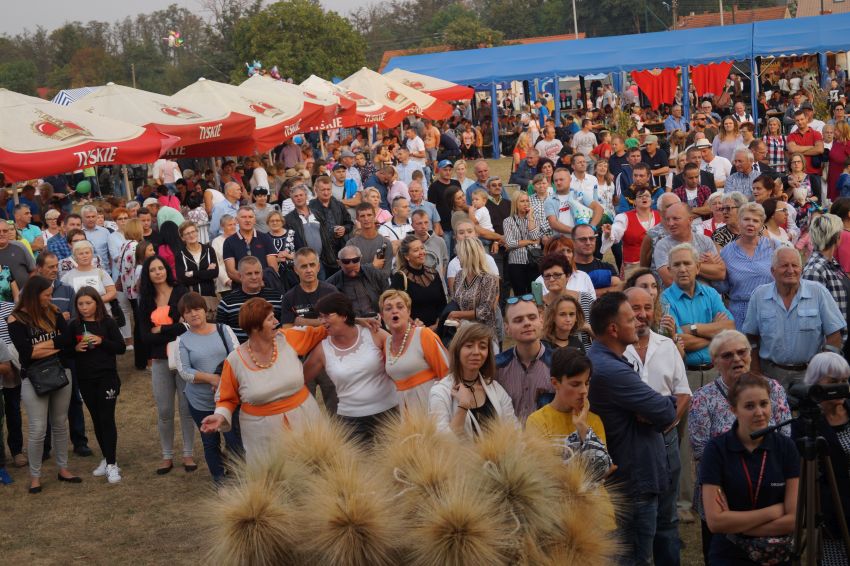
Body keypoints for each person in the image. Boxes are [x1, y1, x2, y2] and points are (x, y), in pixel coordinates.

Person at [587, 292, 677, 565]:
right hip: (632, 481)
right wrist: (663, 405)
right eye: (630, 319)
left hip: (632, 475)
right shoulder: (610, 370)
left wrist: (657, 406)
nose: (638, 321)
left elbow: (662, 408)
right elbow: (666, 411)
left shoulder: (608, 360)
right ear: (613, 329)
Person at [688, 330, 791, 562]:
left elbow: (784, 438)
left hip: (769, 490)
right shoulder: (703, 398)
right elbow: (700, 450)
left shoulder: (773, 389)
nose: (736, 359)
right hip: (722, 495)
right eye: (727, 355)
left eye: (742, 352)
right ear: (715, 362)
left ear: (750, 355)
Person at [200, 298, 326, 459]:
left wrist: (350, 320)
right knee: (274, 473)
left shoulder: (288, 338)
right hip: (262, 433)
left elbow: (325, 331)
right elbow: (226, 398)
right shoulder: (235, 360)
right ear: (255, 327)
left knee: (312, 466)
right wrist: (220, 416)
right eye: (270, 319)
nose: (277, 322)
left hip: (305, 419)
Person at [700, 373, 799, 565]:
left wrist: (737, 527)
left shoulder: (786, 447)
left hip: (777, 553)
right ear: (733, 409)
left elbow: (794, 520)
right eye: (749, 406)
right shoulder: (716, 449)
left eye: (764, 403)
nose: (759, 412)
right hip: (729, 554)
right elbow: (715, 522)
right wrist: (774, 511)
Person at [624, 286, 692, 560]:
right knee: (633, 518)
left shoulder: (667, 346)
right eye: (635, 308)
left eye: (647, 307)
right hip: (629, 443)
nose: (642, 314)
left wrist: (666, 423)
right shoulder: (614, 349)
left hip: (665, 440)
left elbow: (683, 393)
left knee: (667, 517)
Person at [8, 276, 82, 493]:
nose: (50, 298)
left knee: (60, 424)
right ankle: (35, 476)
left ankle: (63, 468)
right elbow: (26, 354)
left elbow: (67, 342)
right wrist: (53, 344)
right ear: (34, 294)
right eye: (47, 294)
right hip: (33, 378)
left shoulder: (54, 312)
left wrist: (40, 347)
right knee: (38, 429)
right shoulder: (16, 319)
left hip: (61, 371)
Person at [744, 247, 846, 388]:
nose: (790, 270)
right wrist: (755, 371)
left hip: (810, 374)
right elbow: (750, 337)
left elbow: (834, 335)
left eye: (795, 265)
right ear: (773, 271)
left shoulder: (818, 292)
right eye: (784, 265)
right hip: (771, 374)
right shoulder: (759, 296)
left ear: (801, 269)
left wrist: (823, 372)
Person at [302, 293, 397, 443]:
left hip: (390, 413)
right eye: (320, 317)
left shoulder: (373, 333)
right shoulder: (322, 350)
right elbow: (299, 380)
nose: (322, 321)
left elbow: (401, 356)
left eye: (327, 316)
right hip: (351, 421)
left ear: (344, 315)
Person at [174, 292, 241, 483]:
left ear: (205, 310)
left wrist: (222, 381)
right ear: (183, 316)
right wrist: (212, 379)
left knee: (234, 440)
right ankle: (219, 479)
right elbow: (184, 371)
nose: (194, 314)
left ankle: (240, 476)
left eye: (197, 309)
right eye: (188, 312)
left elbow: (237, 357)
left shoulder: (223, 329)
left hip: (228, 398)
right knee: (210, 443)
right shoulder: (182, 340)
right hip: (200, 401)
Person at [137, 255, 195, 475]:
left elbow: (186, 326)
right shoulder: (145, 300)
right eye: (153, 270)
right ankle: (167, 455)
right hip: (160, 360)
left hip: (183, 357)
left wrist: (161, 329)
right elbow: (145, 337)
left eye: (160, 268)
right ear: (148, 274)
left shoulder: (181, 292)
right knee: (164, 410)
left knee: (186, 408)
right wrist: (173, 327)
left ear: (166, 269)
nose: (158, 272)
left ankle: (188, 453)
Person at [792, 353, 850, 565]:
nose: (841, 387)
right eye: (833, 382)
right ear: (815, 384)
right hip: (833, 514)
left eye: (845, 380)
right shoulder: (804, 425)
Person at [67, 286, 126, 484]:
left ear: (97, 303)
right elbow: (65, 351)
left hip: (107, 377)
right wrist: (75, 348)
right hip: (85, 379)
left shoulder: (107, 322)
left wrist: (101, 341)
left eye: (88, 303)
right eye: (80, 304)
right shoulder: (74, 325)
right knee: (97, 419)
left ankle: (112, 464)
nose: (84, 307)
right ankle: (107, 457)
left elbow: (121, 347)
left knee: (106, 418)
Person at [662, 243, 735, 390]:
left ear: (698, 267)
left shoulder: (711, 294)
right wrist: (714, 334)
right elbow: (680, 342)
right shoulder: (664, 300)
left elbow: (730, 328)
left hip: (716, 372)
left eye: (687, 263)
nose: (682, 269)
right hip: (685, 374)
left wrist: (693, 328)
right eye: (677, 264)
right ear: (670, 270)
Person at [429, 322, 518, 438]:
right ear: (457, 350)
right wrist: (463, 406)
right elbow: (441, 441)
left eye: (482, 347)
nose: (476, 352)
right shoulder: (440, 392)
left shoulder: (495, 388)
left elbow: (514, 430)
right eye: (469, 345)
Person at [379, 289, 449, 412]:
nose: (394, 311)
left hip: (432, 405)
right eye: (388, 308)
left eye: (400, 307)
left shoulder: (424, 334)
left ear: (409, 311)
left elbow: (446, 373)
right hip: (406, 410)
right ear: (382, 316)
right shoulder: (387, 343)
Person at [494, 296, 555, 422]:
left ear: (541, 320)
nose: (527, 323)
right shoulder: (495, 366)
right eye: (518, 320)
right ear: (507, 328)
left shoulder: (559, 364)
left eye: (532, 317)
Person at [718, 203, 776, 331]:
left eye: (755, 221)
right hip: (739, 313)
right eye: (746, 219)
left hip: (770, 311)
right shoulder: (727, 252)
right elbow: (722, 287)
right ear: (739, 221)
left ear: (761, 225)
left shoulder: (774, 247)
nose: (751, 224)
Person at [802, 213, 850, 344]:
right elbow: (811, 319)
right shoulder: (815, 270)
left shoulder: (831, 263)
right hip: (832, 345)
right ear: (836, 237)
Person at [654, 203, 726, 287]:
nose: (670, 223)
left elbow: (720, 273)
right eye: (667, 219)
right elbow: (670, 280)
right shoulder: (662, 245)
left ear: (690, 220)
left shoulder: (705, 241)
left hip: (707, 295)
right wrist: (702, 265)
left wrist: (682, 268)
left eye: (675, 219)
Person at [449, 238, 503, 345]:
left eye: (459, 255)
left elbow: (486, 311)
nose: (457, 258)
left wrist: (459, 314)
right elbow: (455, 300)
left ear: (468, 256)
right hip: (463, 332)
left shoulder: (488, 278)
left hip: (483, 334)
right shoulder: (459, 275)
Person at [217, 256, 283, 344]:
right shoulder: (227, 303)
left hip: (275, 347)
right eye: (249, 274)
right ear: (240, 276)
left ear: (262, 274)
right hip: (239, 350)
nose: (254, 277)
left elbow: (284, 327)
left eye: (257, 273)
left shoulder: (277, 297)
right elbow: (221, 334)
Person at [390, 235, 447, 330]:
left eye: (422, 248)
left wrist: (437, 325)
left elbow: (443, 303)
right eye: (416, 250)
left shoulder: (434, 274)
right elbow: (394, 307)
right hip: (413, 330)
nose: (421, 253)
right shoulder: (400, 277)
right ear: (407, 256)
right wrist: (414, 325)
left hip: (437, 330)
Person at [608, 187, 660, 277]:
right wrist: (609, 232)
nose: (644, 198)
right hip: (632, 265)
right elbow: (615, 233)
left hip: (657, 263)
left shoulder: (660, 216)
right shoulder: (624, 218)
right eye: (640, 196)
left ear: (651, 200)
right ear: (634, 202)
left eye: (647, 196)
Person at [222, 207, 278, 288]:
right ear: (236, 220)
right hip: (240, 289)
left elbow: (273, 267)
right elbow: (231, 271)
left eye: (250, 217)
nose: (247, 220)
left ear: (255, 220)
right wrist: (250, 283)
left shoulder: (266, 238)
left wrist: (261, 282)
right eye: (243, 217)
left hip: (265, 286)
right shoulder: (229, 242)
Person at [326, 245, 387, 317]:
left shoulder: (375, 275)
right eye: (346, 261)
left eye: (355, 260)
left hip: (377, 319)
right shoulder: (331, 284)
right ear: (339, 262)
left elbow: (388, 297)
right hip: (350, 322)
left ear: (360, 258)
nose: (351, 264)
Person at [502, 191, 542, 296]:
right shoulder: (508, 221)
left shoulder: (535, 219)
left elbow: (535, 237)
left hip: (533, 261)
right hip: (516, 263)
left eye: (527, 201)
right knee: (520, 294)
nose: (526, 204)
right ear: (515, 203)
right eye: (522, 201)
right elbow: (510, 243)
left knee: (535, 294)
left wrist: (530, 218)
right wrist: (529, 241)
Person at [60, 240, 117, 310]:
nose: (85, 256)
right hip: (78, 314)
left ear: (92, 255)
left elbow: (112, 292)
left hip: (102, 312)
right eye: (81, 254)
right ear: (75, 256)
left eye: (87, 253)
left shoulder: (102, 273)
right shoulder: (67, 276)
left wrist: (95, 302)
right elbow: (63, 297)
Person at [572, 224, 621, 294]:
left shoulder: (607, 268)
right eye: (583, 239)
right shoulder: (566, 269)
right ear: (573, 242)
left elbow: (618, 290)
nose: (588, 243)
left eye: (591, 238)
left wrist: (580, 294)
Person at [80, 204, 111, 269]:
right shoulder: (78, 233)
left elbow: (110, 254)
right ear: (82, 218)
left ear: (96, 217)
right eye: (88, 217)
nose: (91, 219)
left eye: (93, 216)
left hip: (105, 271)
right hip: (85, 271)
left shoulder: (105, 232)